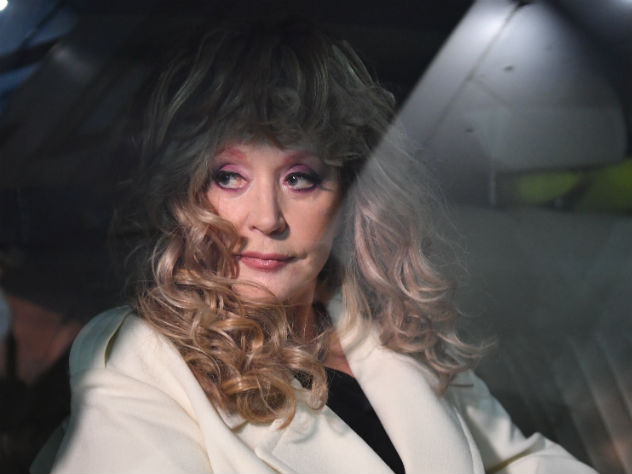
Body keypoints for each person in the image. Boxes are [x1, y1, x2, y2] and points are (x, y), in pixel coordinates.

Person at [33, 17, 597, 474]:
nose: (267, 218)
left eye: (299, 178)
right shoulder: (137, 355)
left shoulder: (386, 324)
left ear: (348, 193)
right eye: (228, 176)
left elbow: (518, 461)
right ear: (186, 192)